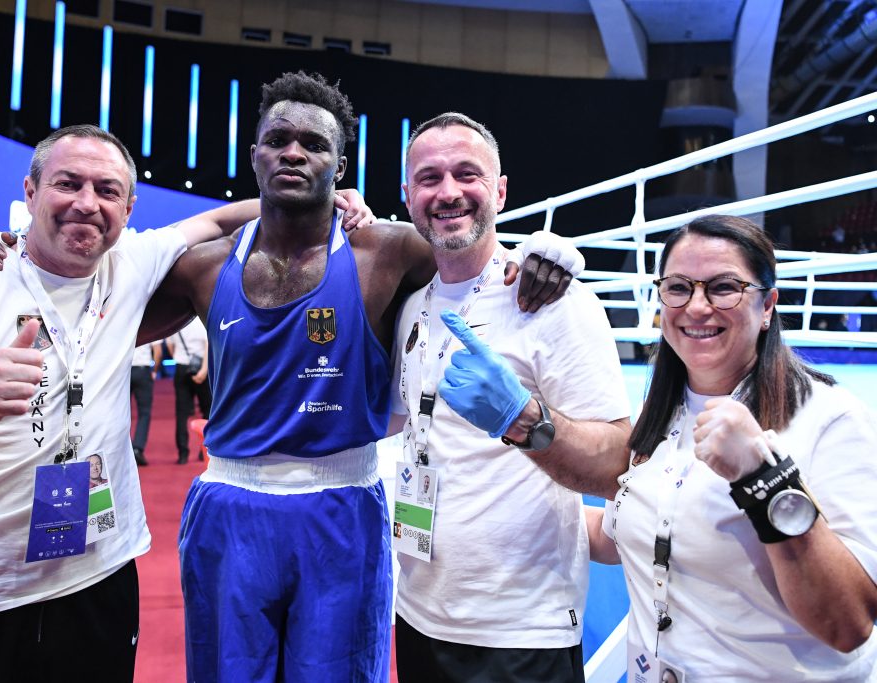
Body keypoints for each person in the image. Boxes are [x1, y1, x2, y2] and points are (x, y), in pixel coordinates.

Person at [137, 74, 576, 683]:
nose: (294, 153)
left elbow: (475, 254)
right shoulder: (205, 267)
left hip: (342, 508)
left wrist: (542, 254)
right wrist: (8, 260)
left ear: (340, 166)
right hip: (229, 504)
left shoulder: (387, 252)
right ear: (255, 154)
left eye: (314, 145)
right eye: (278, 141)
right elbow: (103, 313)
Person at [0, 123, 315, 683]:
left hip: (99, 583)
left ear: (128, 208)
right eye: (68, 184)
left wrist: (329, 200)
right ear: (30, 192)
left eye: (107, 190)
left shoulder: (130, 266)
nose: (87, 204)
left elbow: (221, 221)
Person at [389, 112, 631, 683]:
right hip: (418, 610)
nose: (448, 192)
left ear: (499, 191)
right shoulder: (411, 307)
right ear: (407, 195)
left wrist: (526, 420)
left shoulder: (552, 302)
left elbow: (618, 464)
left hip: (521, 628)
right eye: (429, 178)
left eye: (466, 174)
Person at [587, 215, 877, 681]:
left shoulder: (830, 418)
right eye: (679, 287)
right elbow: (616, 536)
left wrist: (764, 479)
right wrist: (510, 451)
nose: (697, 306)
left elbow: (849, 624)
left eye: (724, 288)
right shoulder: (658, 414)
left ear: (767, 307)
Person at [166, 319, 211, 464]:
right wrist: (204, 370)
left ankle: (183, 454)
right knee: (207, 411)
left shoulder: (177, 321)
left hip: (181, 368)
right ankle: (205, 450)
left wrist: (181, 358)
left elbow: (170, 345)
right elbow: (208, 345)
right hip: (201, 368)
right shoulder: (202, 320)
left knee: (182, 413)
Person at [130, 341, 161, 466]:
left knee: (121, 412)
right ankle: (137, 448)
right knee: (144, 412)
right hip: (143, 370)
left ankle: (123, 450)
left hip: (124, 371)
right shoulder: (148, 327)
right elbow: (158, 351)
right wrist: (154, 370)